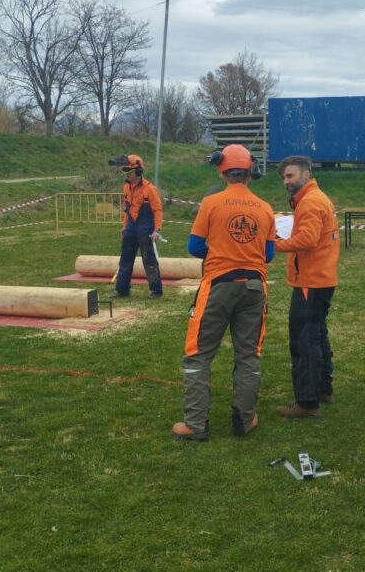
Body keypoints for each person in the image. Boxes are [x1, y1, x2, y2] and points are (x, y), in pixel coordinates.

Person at [172, 145, 276, 441]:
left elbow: (195, 246)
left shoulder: (211, 203)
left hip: (218, 285)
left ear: (222, 170)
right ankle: (245, 419)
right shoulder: (265, 208)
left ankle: (196, 424)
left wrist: (220, 250)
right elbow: (268, 254)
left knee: (199, 354)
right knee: (248, 355)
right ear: (251, 172)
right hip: (254, 287)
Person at [273, 155, 340, 419]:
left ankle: (307, 401)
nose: (286, 182)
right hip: (321, 278)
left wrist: (274, 245)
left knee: (304, 341)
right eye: (284, 177)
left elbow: (307, 239)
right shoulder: (316, 198)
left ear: (306, 174)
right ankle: (323, 389)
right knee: (317, 335)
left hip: (310, 281)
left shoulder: (310, 202)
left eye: (290, 176)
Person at [113, 154, 163, 298]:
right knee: (125, 260)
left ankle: (156, 291)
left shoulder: (150, 189)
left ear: (139, 171)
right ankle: (122, 290)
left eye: (129, 171)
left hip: (145, 227)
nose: (127, 174)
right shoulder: (126, 187)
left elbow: (158, 210)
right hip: (131, 227)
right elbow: (126, 209)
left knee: (149, 260)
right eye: (125, 171)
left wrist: (157, 230)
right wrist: (125, 226)